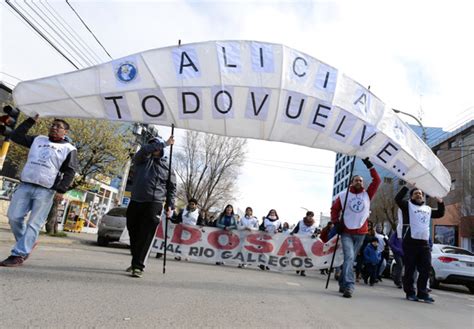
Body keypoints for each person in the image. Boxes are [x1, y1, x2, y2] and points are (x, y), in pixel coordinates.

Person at [0, 115, 78, 267]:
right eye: (53, 125)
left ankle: (19, 254)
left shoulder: (69, 149)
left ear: (65, 132)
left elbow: (70, 171)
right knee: (14, 217)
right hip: (25, 185)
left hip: (46, 190)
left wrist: (61, 190)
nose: (54, 127)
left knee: (33, 223)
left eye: (58, 126)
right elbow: (16, 136)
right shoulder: (38, 140)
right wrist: (31, 121)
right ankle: (27, 243)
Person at [126, 136, 176, 278]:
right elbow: (144, 149)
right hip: (136, 200)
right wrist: (164, 143)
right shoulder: (141, 160)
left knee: (146, 235)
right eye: (153, 144)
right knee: (132, 231)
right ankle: (136, 258)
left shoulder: (168, 166)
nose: (155, 147)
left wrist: (170, 204)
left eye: (157, 145)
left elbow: (172, 188)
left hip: (154, 203)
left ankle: (138, 266)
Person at [330, 157, 381, 298]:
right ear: (352, 182)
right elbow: (334, 210)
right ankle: (349, 286)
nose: (359, 182)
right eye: (356, 180)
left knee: (350, 259)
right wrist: (336, 222)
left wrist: (369, 165)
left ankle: (342, 283)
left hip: (361, 232)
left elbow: (377, 180)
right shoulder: (343, 195)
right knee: (350, 257)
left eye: (361, 180)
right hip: (346, 231)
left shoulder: (367, 194)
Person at [395, 185, 444, 303]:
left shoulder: (427, 209)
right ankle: (410, 292)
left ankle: (422, 293)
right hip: (410, 242)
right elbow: (397, 199)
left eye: (421, 194)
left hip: (424, 243)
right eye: (416, 193)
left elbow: (440, 214)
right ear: (411, 196)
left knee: (426, 269)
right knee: (410, 269)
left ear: (423, 197)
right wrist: (406, 186)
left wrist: (441, 202)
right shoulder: (407, 206)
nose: (419, 195)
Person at [291, 211, 318, 276]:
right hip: (300, 241)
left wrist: (315, 234)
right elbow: (296, 229)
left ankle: (303, 270)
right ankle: (298, 267)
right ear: (306, 215)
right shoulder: (301, 222)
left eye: (311, 216)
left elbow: (317, 232)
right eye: (308, 215)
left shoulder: (314, 224)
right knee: (299, 255)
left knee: (306, 256)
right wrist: (292, 232)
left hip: (308, 242)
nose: (309, 217)